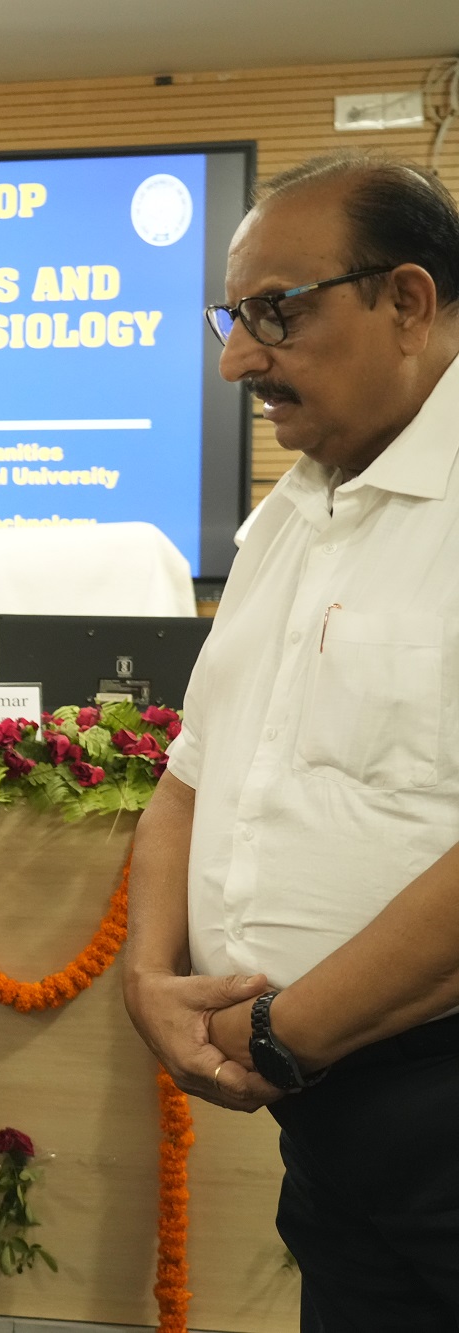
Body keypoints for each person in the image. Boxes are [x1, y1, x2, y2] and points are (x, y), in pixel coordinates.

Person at [123, 152, 459, 1330]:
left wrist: (278, 1033)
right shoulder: (286, 512)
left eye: (275, 312)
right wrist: (149, 979)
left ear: (405, 303)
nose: (235, 361)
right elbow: (189, 777)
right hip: (327, 1131)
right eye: (232, 318)